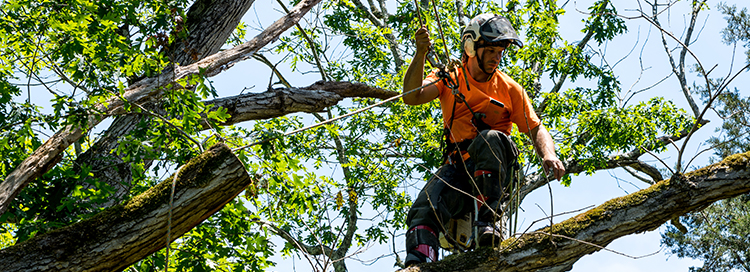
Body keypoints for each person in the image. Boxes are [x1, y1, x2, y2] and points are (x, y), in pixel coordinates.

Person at [402, 13, 566, 265]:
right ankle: (419, 263)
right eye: (490, 50)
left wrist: (549, 155)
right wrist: (420, 53)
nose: (497, 57)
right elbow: (412, 96)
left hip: (494, 173)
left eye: (500, 51)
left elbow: (536, 128)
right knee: (425, 207)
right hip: (459, 170)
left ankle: (488, 222)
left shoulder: (510, 89)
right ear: (470, 47)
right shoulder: (450, 77)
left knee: (488, 138)